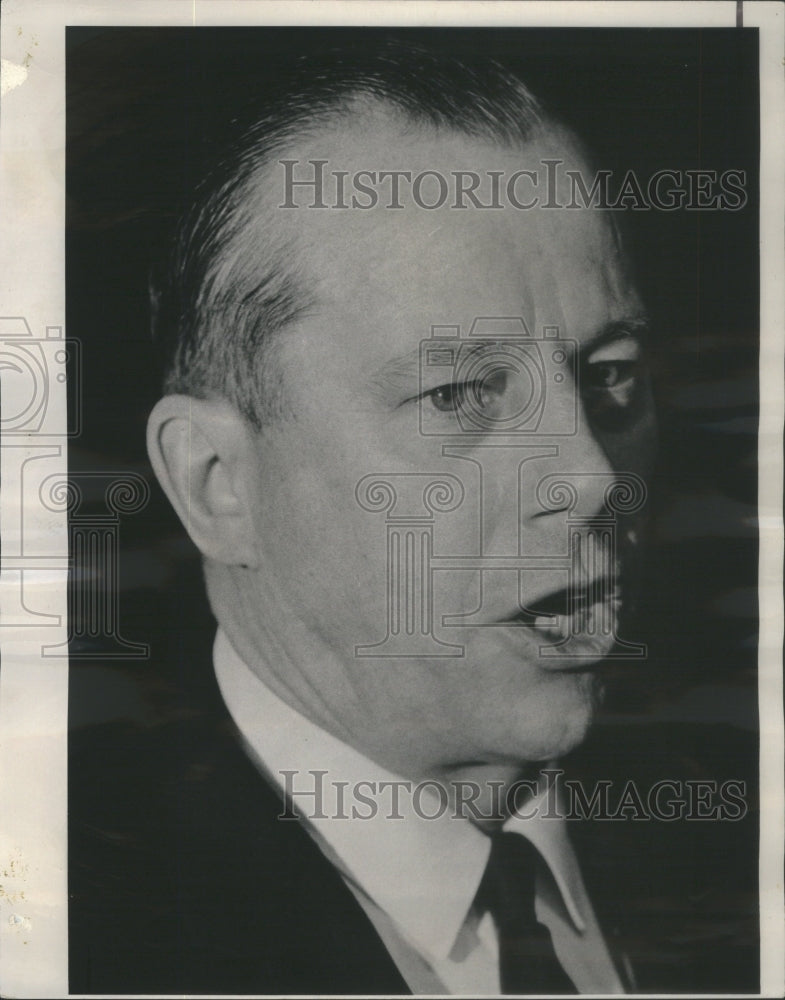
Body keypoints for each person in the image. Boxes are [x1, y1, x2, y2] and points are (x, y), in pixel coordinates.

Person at [68, 37, 758, 996]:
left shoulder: (738, 838)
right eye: (461, 395)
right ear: (218, 484)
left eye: (609, 377)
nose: (592, 475)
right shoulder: (84, 934)